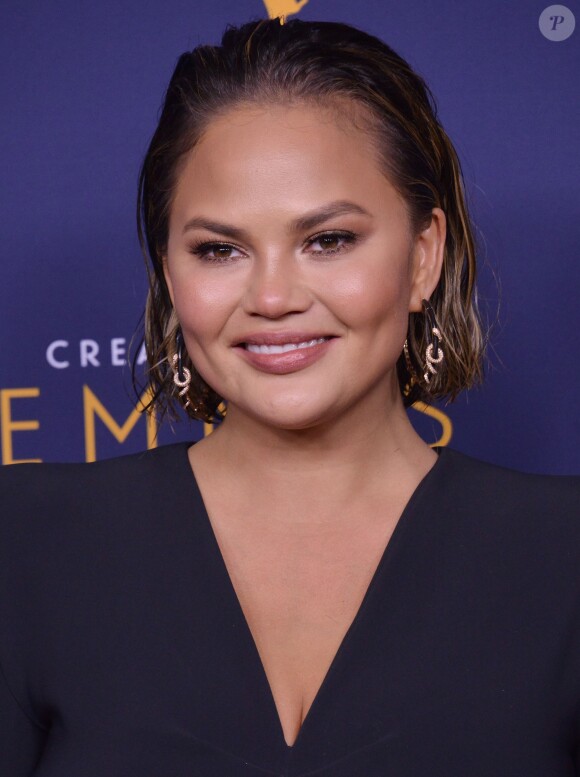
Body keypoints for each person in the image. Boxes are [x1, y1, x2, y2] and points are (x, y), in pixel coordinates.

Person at [1, 17, 579, 777]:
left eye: (328, 240)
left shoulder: (562, 554)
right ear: (172, 279)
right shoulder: (26, 540)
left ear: (423, 257)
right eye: (220, 249)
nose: (272, 296)